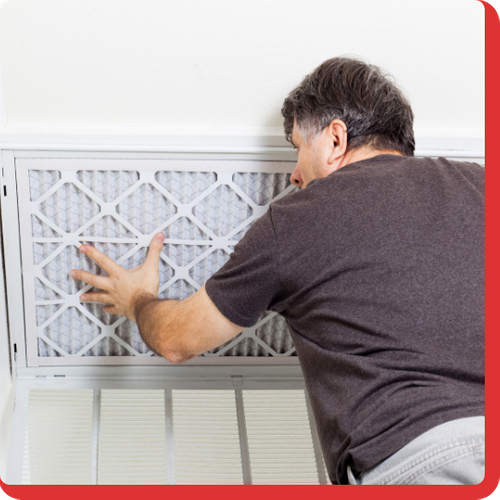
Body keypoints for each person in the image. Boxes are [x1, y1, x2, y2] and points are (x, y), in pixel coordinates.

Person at [71, 57, 484, 485]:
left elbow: (177, 340)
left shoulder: (300, 218)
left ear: (335, 139)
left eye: (297, 147)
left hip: (423, 460)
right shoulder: (482, 183)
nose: (293, 174)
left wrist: (138, 299)